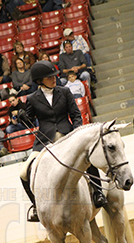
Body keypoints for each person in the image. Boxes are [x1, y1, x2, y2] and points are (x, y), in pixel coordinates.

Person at [17, 60, 107, 222]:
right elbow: (28, 121)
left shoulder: (64, 92)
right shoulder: (32, 98)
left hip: (67, 137)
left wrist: (77, 133)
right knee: (24, 173)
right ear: (39, 80)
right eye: (49, 77)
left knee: (88, 160)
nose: (54, 79)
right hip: (45, 141)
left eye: (54, 76)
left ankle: (98, 192)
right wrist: (21, 117)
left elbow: (76, 115)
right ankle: (36, 206)